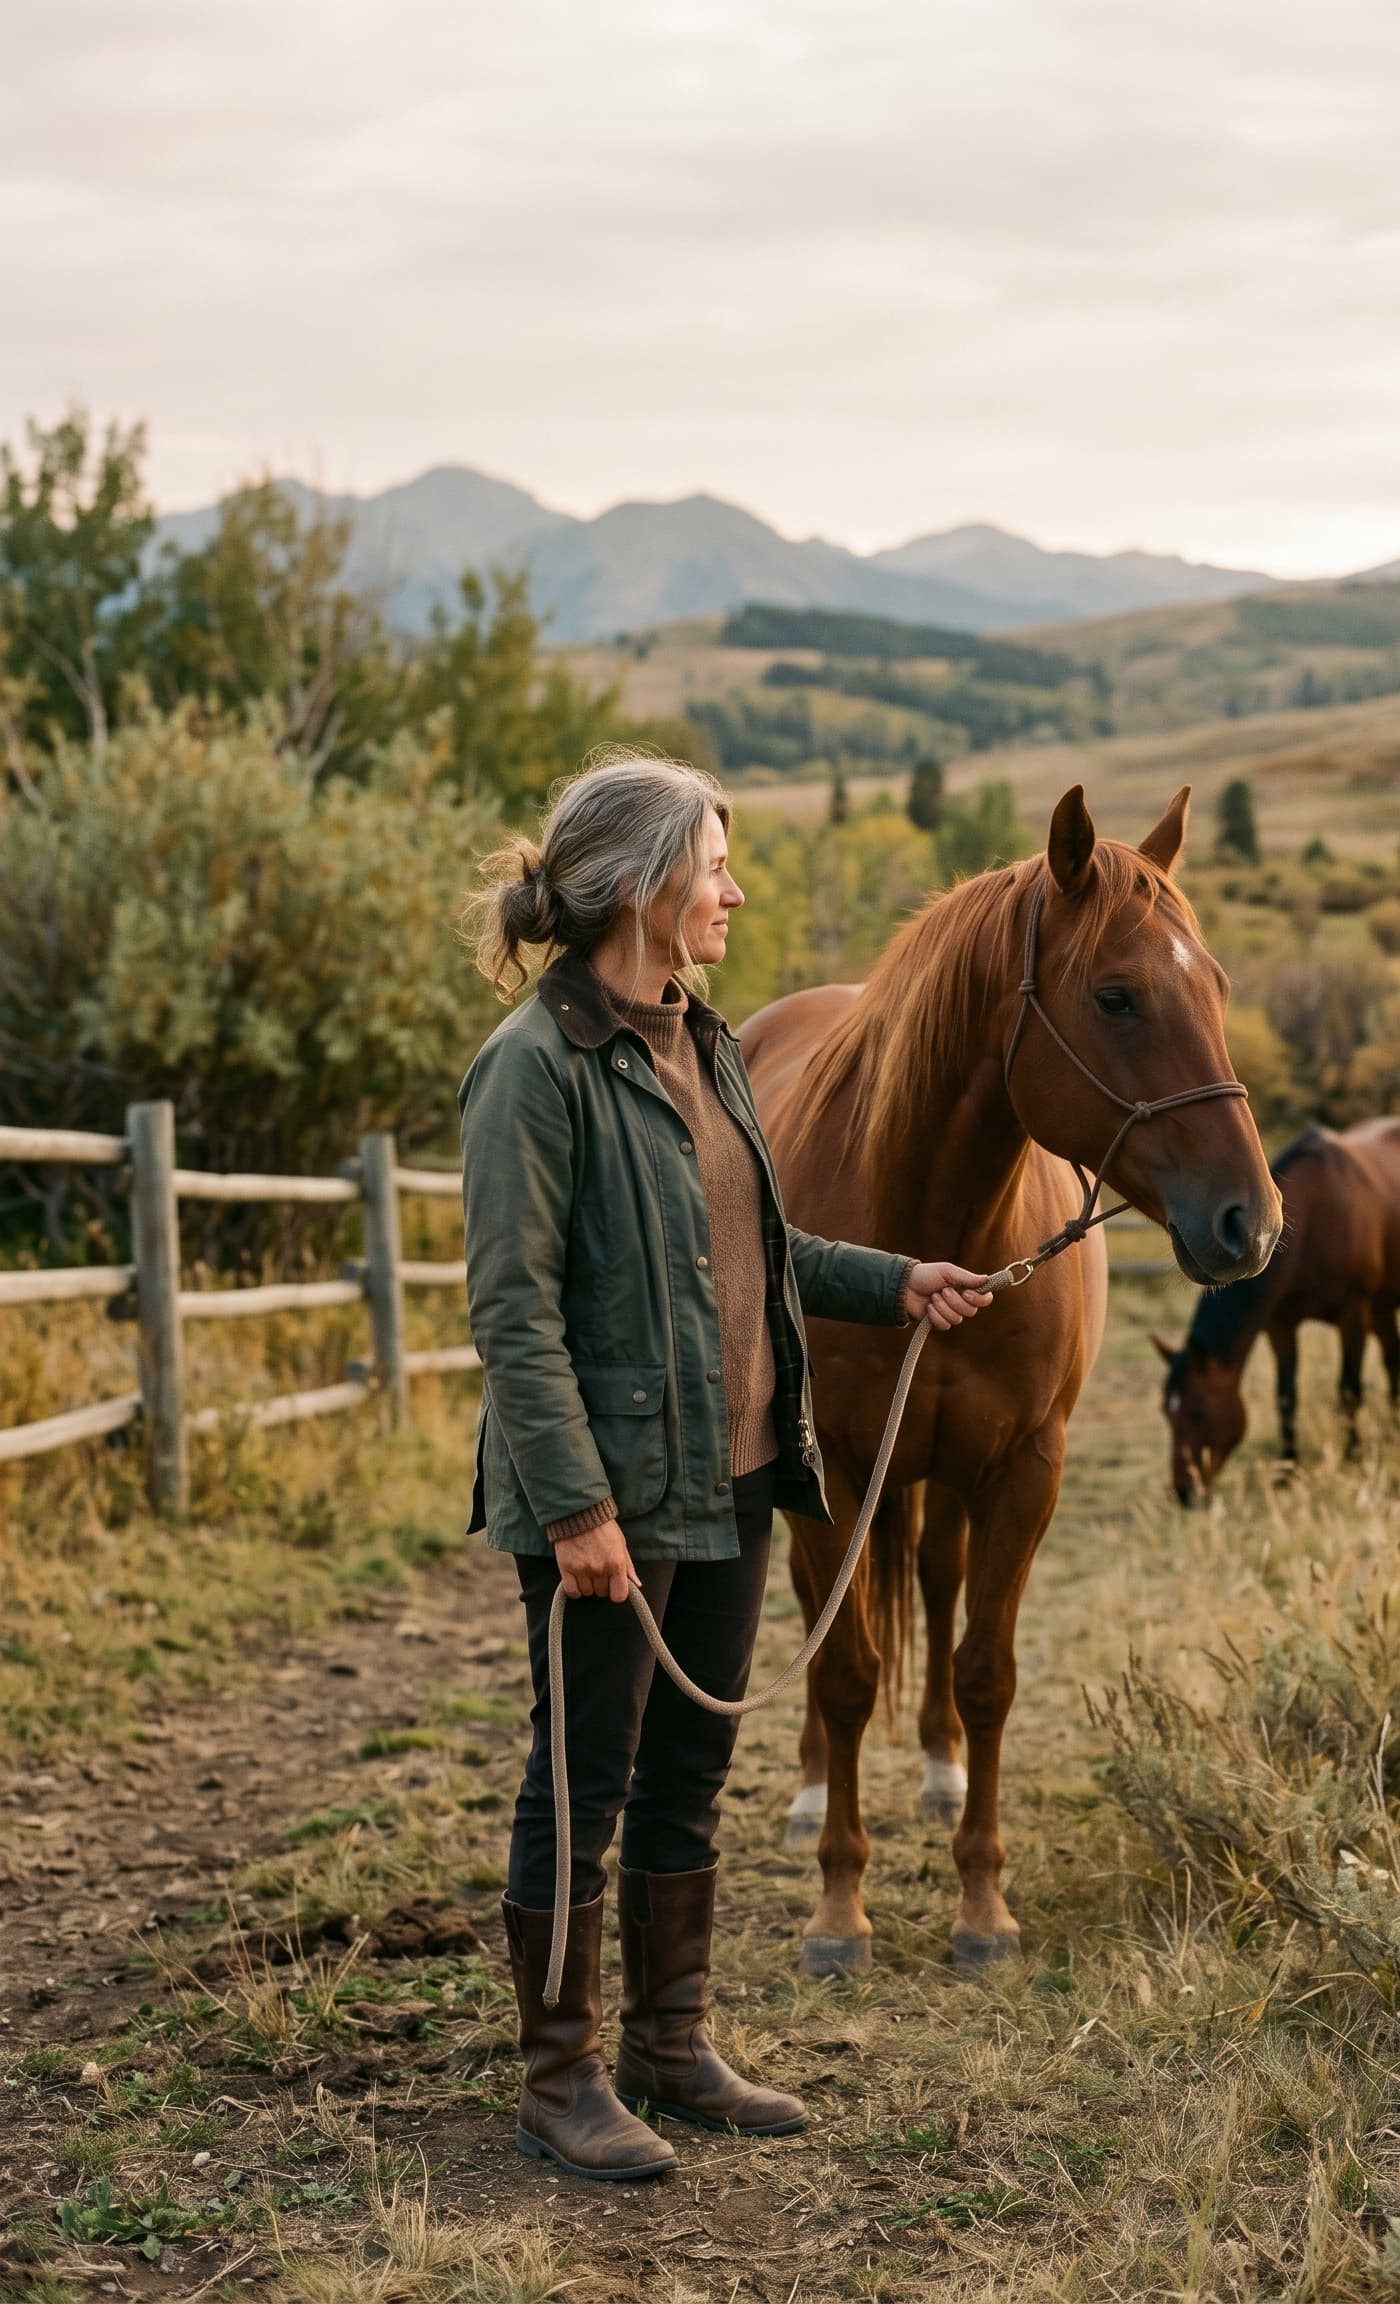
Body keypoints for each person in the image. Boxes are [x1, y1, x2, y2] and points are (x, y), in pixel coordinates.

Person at [460, 749, 992, 2183]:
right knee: (583, 1780)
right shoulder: (531, 1071)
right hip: (610, 1492)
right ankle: (561, 2078)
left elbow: (762, 1243)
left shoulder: (710, 1043)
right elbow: (511, 1313)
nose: (734, 893)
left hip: (738, 1469)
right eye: (715, 866)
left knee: (692, 1772)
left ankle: (670, 2045)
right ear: (640, 886)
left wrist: (898, 1283)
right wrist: (576, 1508)